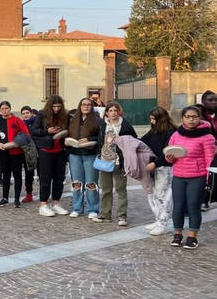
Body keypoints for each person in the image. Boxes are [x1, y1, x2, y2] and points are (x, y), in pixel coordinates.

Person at [167, 106, 215, 249]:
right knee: (178, 206)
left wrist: (209, 180)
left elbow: (210, 160)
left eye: (194, 116)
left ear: (200, 118)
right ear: (182, 119)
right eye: (187, 116)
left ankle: (192, 236)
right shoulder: (176, 135)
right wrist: (169, 158)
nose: (191, 119)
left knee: (193, 206)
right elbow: (170, 155)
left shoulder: (207, 137)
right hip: (179, 176)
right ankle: (177, 234)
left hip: (197, 176)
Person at [92, 101, 137, 225]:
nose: (113, 113)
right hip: (105, 160)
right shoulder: (102, 124)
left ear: (119, 112)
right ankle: (105, 214)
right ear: (106, 112)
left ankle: (122, 216)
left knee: (120, 189)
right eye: (110, 110)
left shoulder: (125, 125)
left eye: (115, 110)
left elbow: (134, 140)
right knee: (106, 189)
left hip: (120, 161)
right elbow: (98, 139)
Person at [31, 95, 70, 217]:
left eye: (59, 106)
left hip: (60, 151)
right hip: (46, 150)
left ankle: (56, 203)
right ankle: (43, 205)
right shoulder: (42, 115)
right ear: (50, 106)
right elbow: (34, 131)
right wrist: (47, 131)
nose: (57, 109)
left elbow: (69, 129)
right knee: (45, 178)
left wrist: (64, 132)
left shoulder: (65, 115)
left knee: (59, 178)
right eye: (54, 106)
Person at [140, 107, 176, 235]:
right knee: (155, 194)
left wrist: (155, 163)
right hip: (155, 166)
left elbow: (168, 152)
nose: (152, 121)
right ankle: (158, 219)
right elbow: (143, 141)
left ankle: (163, 222)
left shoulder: (171, 131)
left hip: (165, 167)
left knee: (163, 196)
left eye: (153, 119)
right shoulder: (154, 130)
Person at [67, 98, 101, 219]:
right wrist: (66, 141)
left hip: (90, 154)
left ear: (91, 106)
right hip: (74, 154)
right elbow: (67, 134)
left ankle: (93, 209)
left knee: (91, 182)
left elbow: (100, 137)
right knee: (77, 182)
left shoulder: (97, 120)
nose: (86, 107)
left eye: (88, 105)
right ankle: (77, 208)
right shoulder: (73, 120)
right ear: (80, 106)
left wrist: (90, 139)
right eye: (83, 104)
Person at [0, 101, 29, 207]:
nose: (4, 110)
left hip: (16, 153)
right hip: (3, 153)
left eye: (6, 108)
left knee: (17, 175)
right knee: (6, 176)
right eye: (2, 109)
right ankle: (5, 198)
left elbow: (26, 135)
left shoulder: (17, 120)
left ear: (10, 109)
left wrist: (15, 143)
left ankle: (17, 199)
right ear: (0, 110)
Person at [198, 90, 217, 210]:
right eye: (210, 100)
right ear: (203, 101)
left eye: (216, 100)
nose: (214, 102)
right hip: (205, 150)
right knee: (207, 175)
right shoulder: (198, 115)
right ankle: (204, 200)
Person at [20, 105, 36, 202]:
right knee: (28, 174)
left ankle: (45, 193)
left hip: (37, 151)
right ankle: (29, 194)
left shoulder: (36, 123)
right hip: (26, 153)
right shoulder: (20, 124)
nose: (25, 115)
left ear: (31, 113)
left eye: (27, 113)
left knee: (42, 174)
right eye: (23, 113)